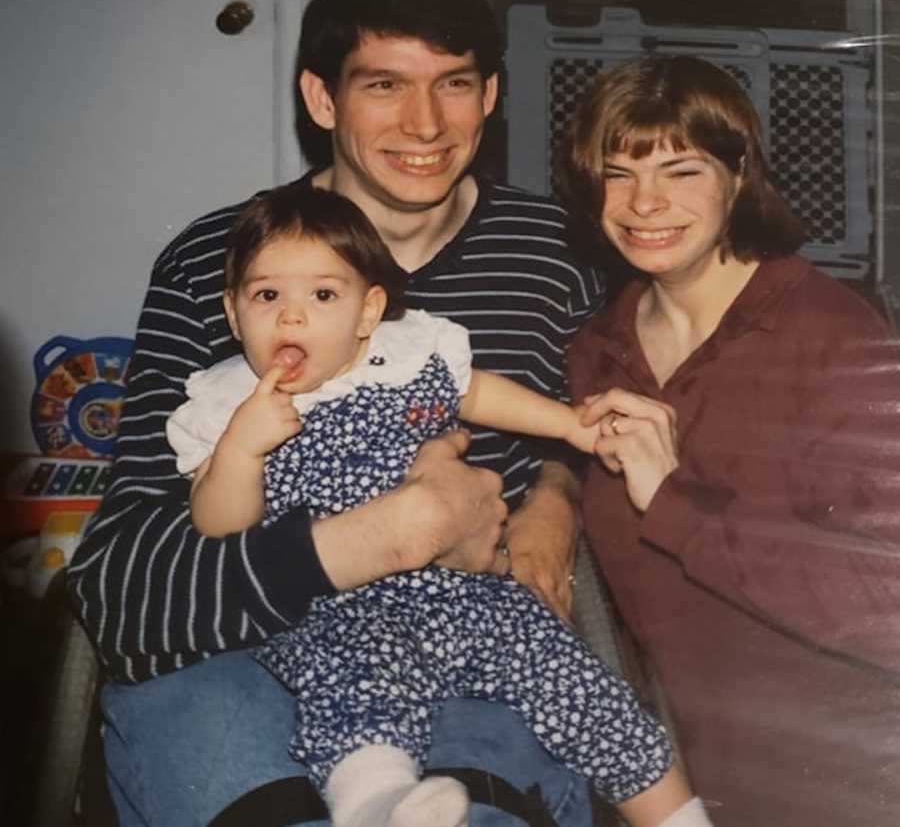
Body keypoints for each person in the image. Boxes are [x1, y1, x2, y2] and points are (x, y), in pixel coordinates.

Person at [68, 0, 606, 827]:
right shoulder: (222, 264)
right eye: (385, 84)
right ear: (322, 101)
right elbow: (123, 589)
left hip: (465, 654)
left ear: (492, 93)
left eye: (455, 84)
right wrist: (387, 535)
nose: (425, 122)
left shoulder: (554, 258)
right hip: (237, 665)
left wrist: (557, 490)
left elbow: (602, 442)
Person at [168, 183, 712, 827]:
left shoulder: (407, 354)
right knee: (360, 683)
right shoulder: (227, 402)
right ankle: (377, 804)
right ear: (233, 315)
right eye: (266, 296)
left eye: (322, 295)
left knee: (567, 672)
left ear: (368, 312)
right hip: (333, 606)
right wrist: (240, 452)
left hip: (460, 589)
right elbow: (218, 524)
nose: (292, 318)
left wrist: (568, 426)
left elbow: (477, 393)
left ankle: (676, 816)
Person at [563, 54, 900, 827]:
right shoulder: (597, 350)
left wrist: (676, 504)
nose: (644, 202)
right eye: (618, 173)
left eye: (680, 170)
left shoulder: (831, 335)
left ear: (737, 174)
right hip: (678, 788)